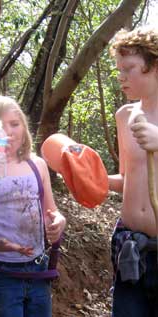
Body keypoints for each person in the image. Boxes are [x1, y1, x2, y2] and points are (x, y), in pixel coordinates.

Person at [0, 95, 66, 317]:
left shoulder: (37, 165)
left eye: (14, 124)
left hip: (38, 267)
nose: (9, 132)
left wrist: (59, 221)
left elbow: (50, 211)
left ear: (24, 127)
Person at [108, 26, 158, 317]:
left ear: (154, 66)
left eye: (129, 68)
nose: (121, 77)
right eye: (118, 69)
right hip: (131, 248)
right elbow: (126, 179)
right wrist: (92, 181)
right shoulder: (124, 115)